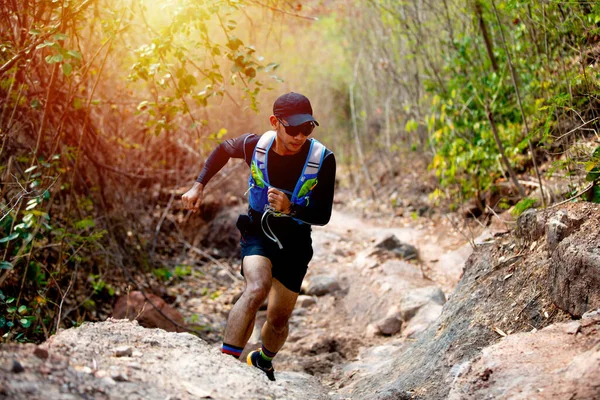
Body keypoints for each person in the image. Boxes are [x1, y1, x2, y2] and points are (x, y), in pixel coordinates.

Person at [182, 92, 336, 381]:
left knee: (278, 321)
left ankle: (262, 359)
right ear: (274, 122)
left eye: (308, 128)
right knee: (256, 287)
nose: (300, 135)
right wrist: (198, 185)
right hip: (258, 231)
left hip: (296, 241)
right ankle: (225, 366)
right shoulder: (255, 146)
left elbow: (323, 214)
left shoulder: (323, 159)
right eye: (293, 128)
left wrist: (291, 208)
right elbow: (223, 149)